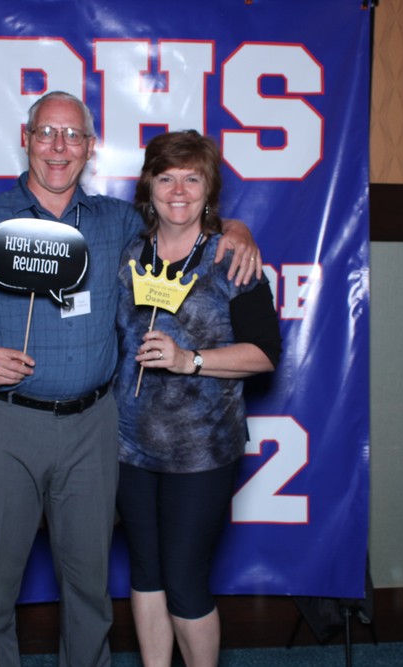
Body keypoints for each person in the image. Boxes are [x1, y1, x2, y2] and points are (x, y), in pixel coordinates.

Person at [0, 92, 260, 667]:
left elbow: (183, 218)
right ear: (26, 139)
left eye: (73, 135)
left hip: (93, 428)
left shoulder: (116, 223)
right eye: (47, 133)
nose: (59, 147)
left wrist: (238, 230)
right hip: (6, 421)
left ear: (90, 147)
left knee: (88, 589)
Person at [113, 130, 282, 667]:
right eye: (167, 178)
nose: (179, 191)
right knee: (146, 572)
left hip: (201, 450)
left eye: (192, 178)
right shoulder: (129, 253)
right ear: (149, 186)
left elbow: (266, 353)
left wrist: (192, 360)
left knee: (185, 580)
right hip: (128, 445)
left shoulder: (231, 256)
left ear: (209, 189)